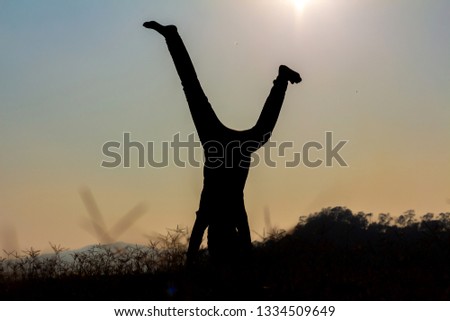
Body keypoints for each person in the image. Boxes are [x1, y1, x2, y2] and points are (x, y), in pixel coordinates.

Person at [143, 21, 301, 264]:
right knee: (192, 90)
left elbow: (235, 244)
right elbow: (201, 242)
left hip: (222, 145)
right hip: (219, 144)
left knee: (196, 92)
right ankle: (172, 36)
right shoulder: (217, 213)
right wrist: (191, 265)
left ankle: (281, 80)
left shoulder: (227, 214)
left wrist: (191, 266)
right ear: (216, 236)